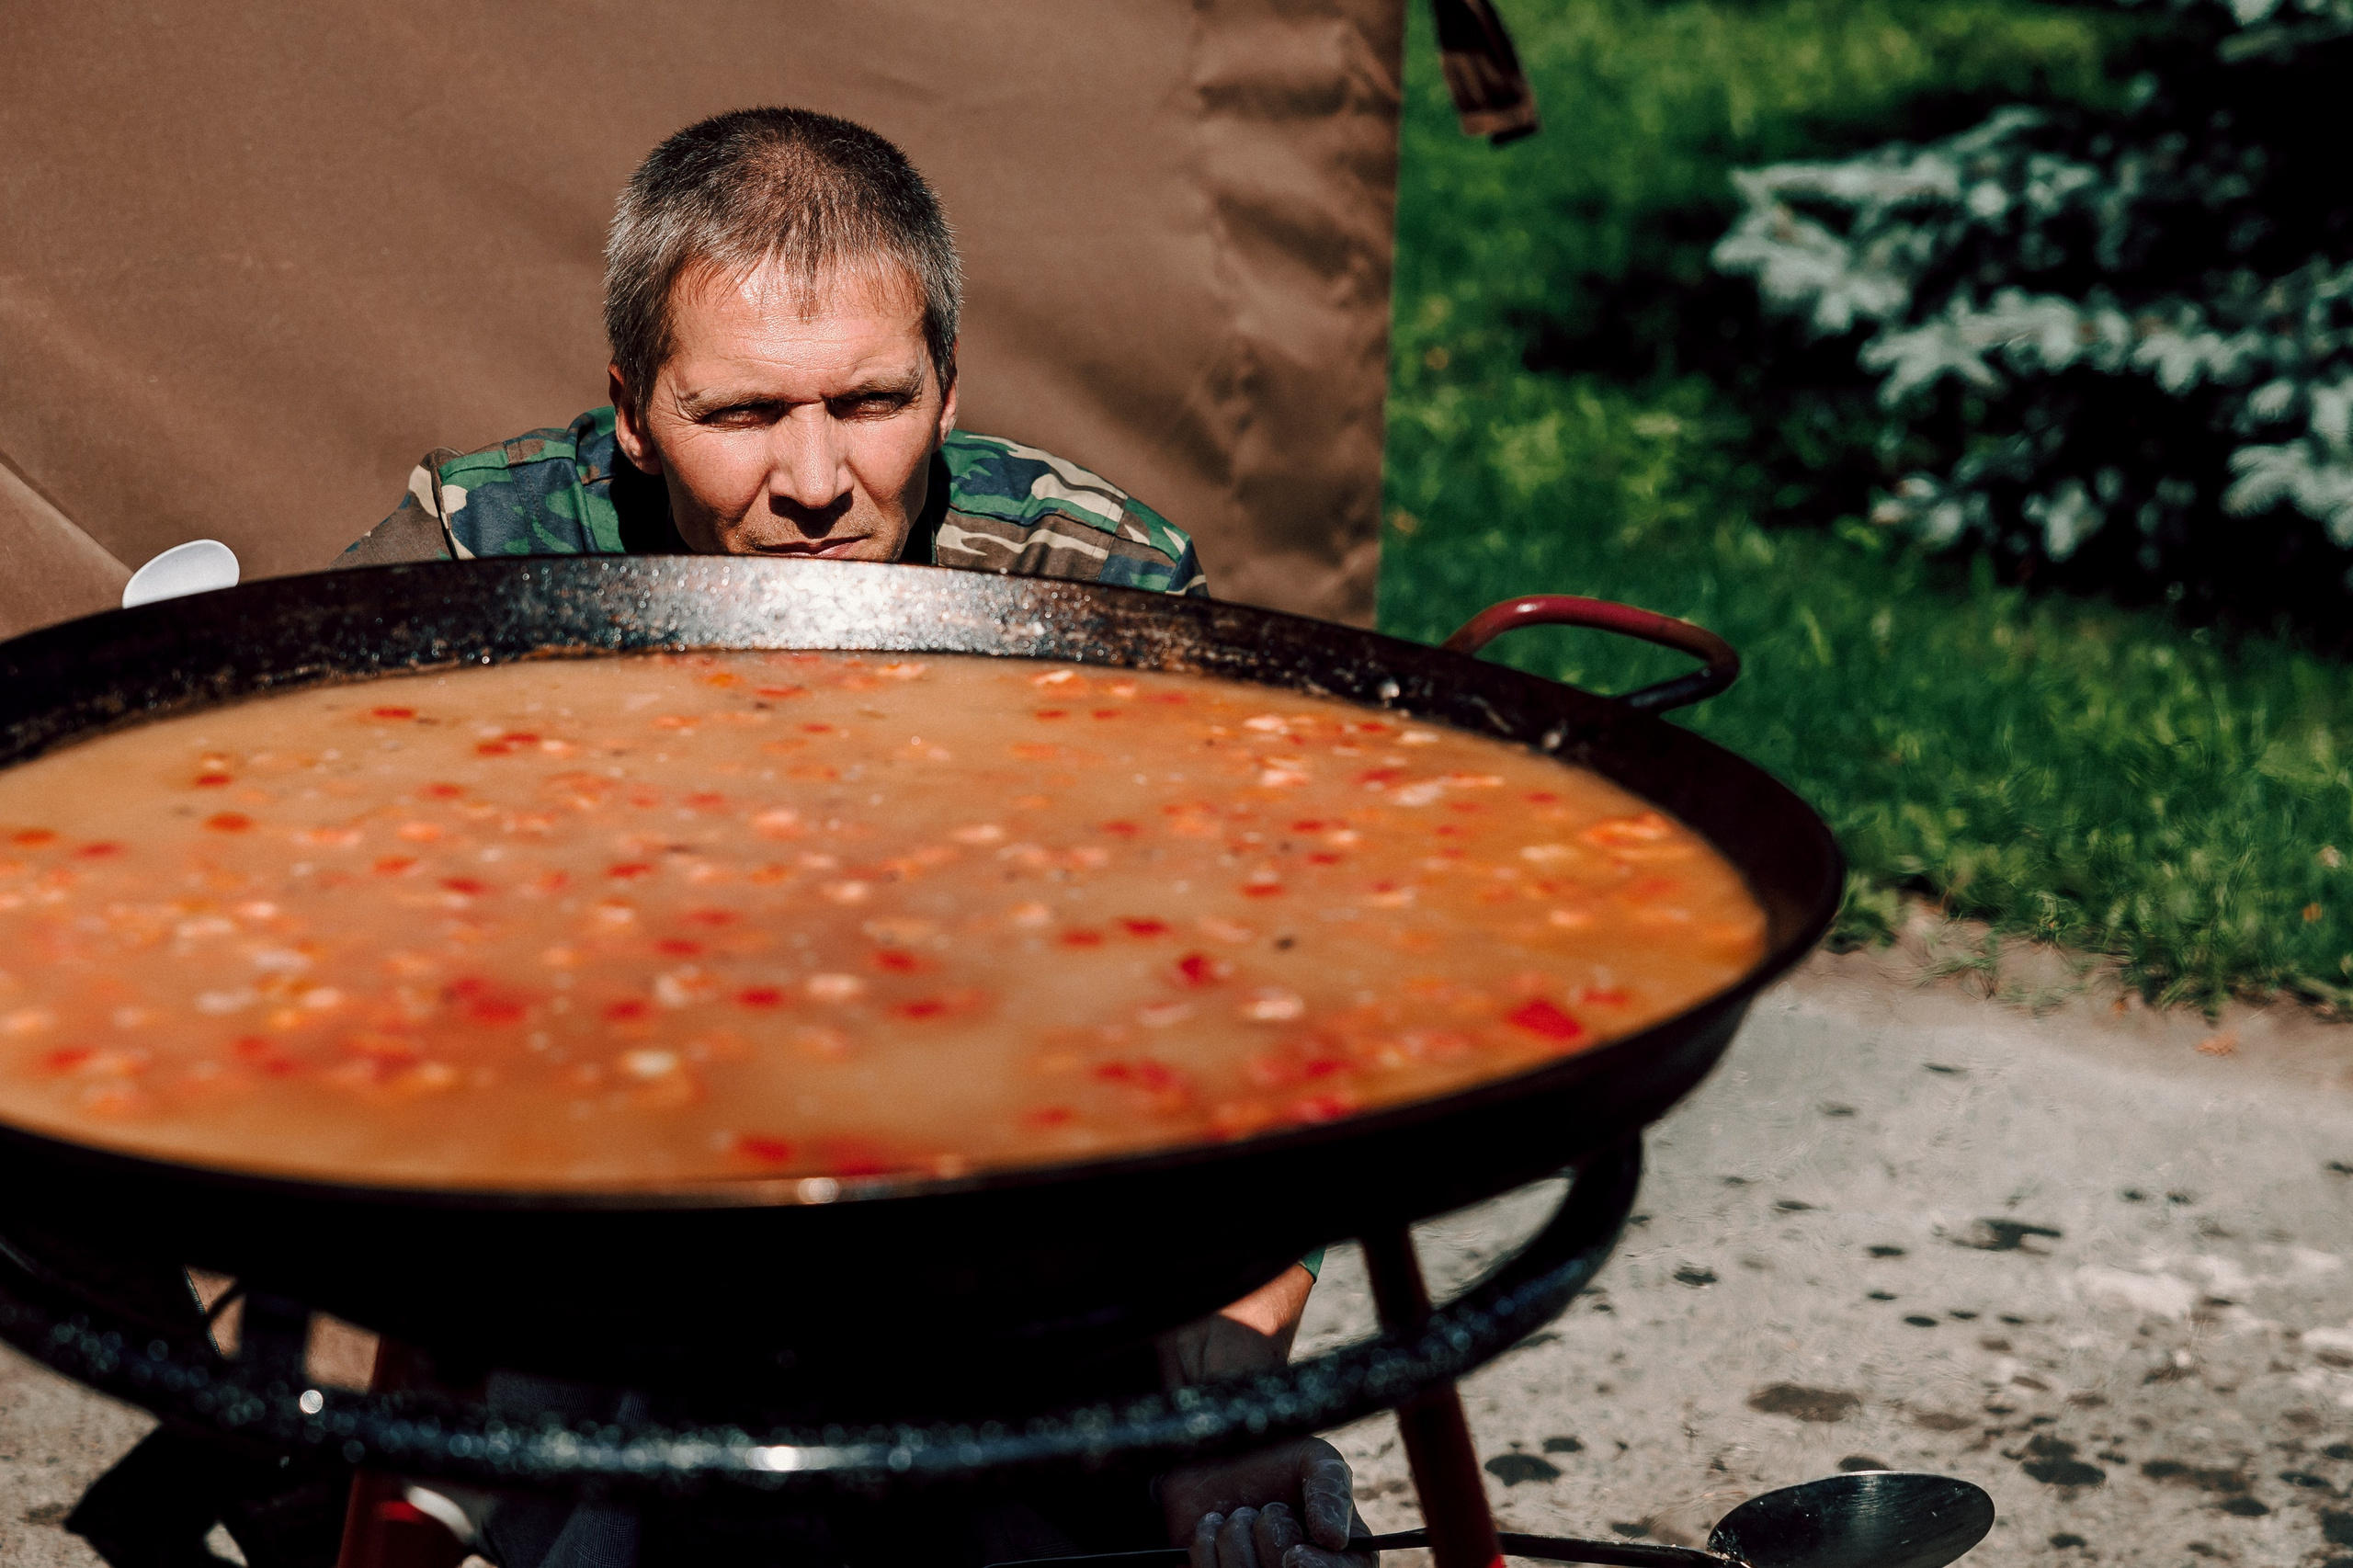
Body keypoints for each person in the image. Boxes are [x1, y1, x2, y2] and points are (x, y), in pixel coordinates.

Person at [337, 108, 1373, 1568]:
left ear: (951, 389)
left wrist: (1226, 1404)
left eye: (872, 402)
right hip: (592, 1201)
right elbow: (330, 942)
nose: (817, 483)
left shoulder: (1093, 583)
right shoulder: (475, 554)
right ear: (633, 408)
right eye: (744, 414)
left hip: (989, 1200)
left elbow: (1258, 997)